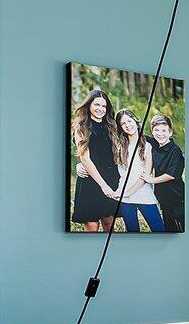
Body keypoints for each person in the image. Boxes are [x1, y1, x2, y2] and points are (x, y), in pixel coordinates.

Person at [70, 88, 121, 232]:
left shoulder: (112, 126)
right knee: (92, 228)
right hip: (90, 181)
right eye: (97, 105)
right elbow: (85, 159)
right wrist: (103, 185)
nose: (100, 109)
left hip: (111, 178)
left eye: (104, 106)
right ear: (89, 105)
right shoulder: (81, 127)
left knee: (108, 224)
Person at [113, 109, 165, 232]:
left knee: (160, 230)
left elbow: (145, 175)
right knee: (132, 232)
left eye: (129, 121)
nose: (127, 125)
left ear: (136, 122)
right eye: (123, 123)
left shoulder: (147, 146)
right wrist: (81, 166)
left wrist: (127, 193)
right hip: (124, 197)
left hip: (143, 194)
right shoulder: (119, 147)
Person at [148, 113, 186, 232]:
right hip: (163, 196)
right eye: (156, 130)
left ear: (170, 132)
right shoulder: (154, 145)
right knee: (169, 228)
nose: (160, 133)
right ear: (152, 131)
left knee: (181, 227)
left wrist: (151, 180)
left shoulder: (175, 151)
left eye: (164, 130)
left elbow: (171, 175)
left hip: (176, 197)